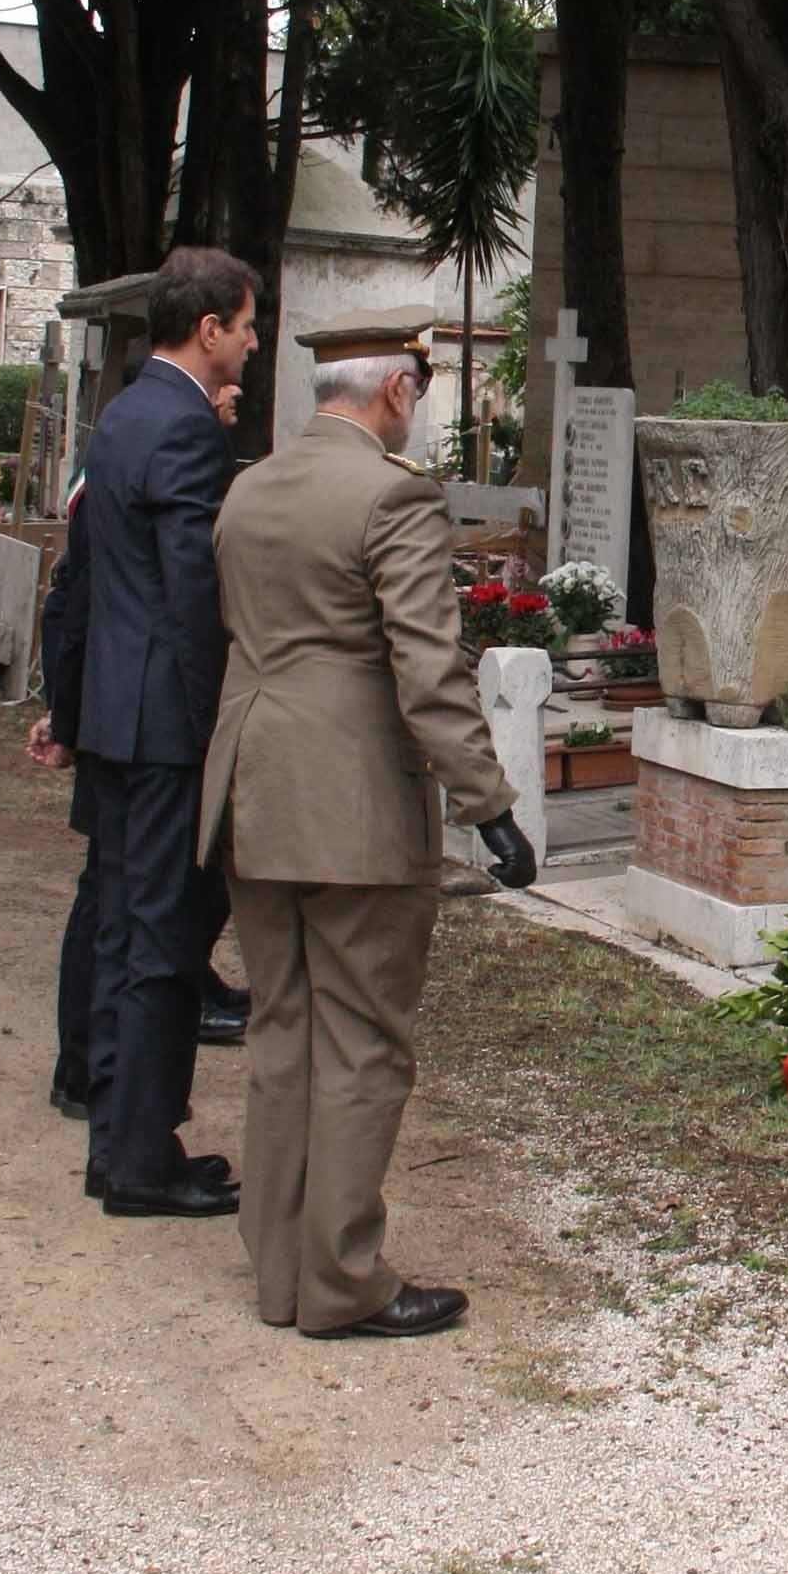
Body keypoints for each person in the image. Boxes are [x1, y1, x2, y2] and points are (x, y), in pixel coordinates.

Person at [201, 324, 534, 1338]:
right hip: (348, 802)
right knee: (362, 1045)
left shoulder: (248, 487)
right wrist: (489, 805)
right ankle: (341, 1282)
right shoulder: (391, 495)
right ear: (395, 389)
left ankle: (281, 1275)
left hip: (252, 787)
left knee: (281, 1032)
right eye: (417, 392)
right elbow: (427, 670)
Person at [77, 245, 259, 1218]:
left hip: (115, 709)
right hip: (163, 728)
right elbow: (193, 601)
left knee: (122, 936)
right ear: (208, 330)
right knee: (162, 942)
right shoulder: (186, 428)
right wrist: (218, 730)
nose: (254, 341)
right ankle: (142, 1163)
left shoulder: (122, 416)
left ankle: (122, 1144)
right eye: (246, 324)